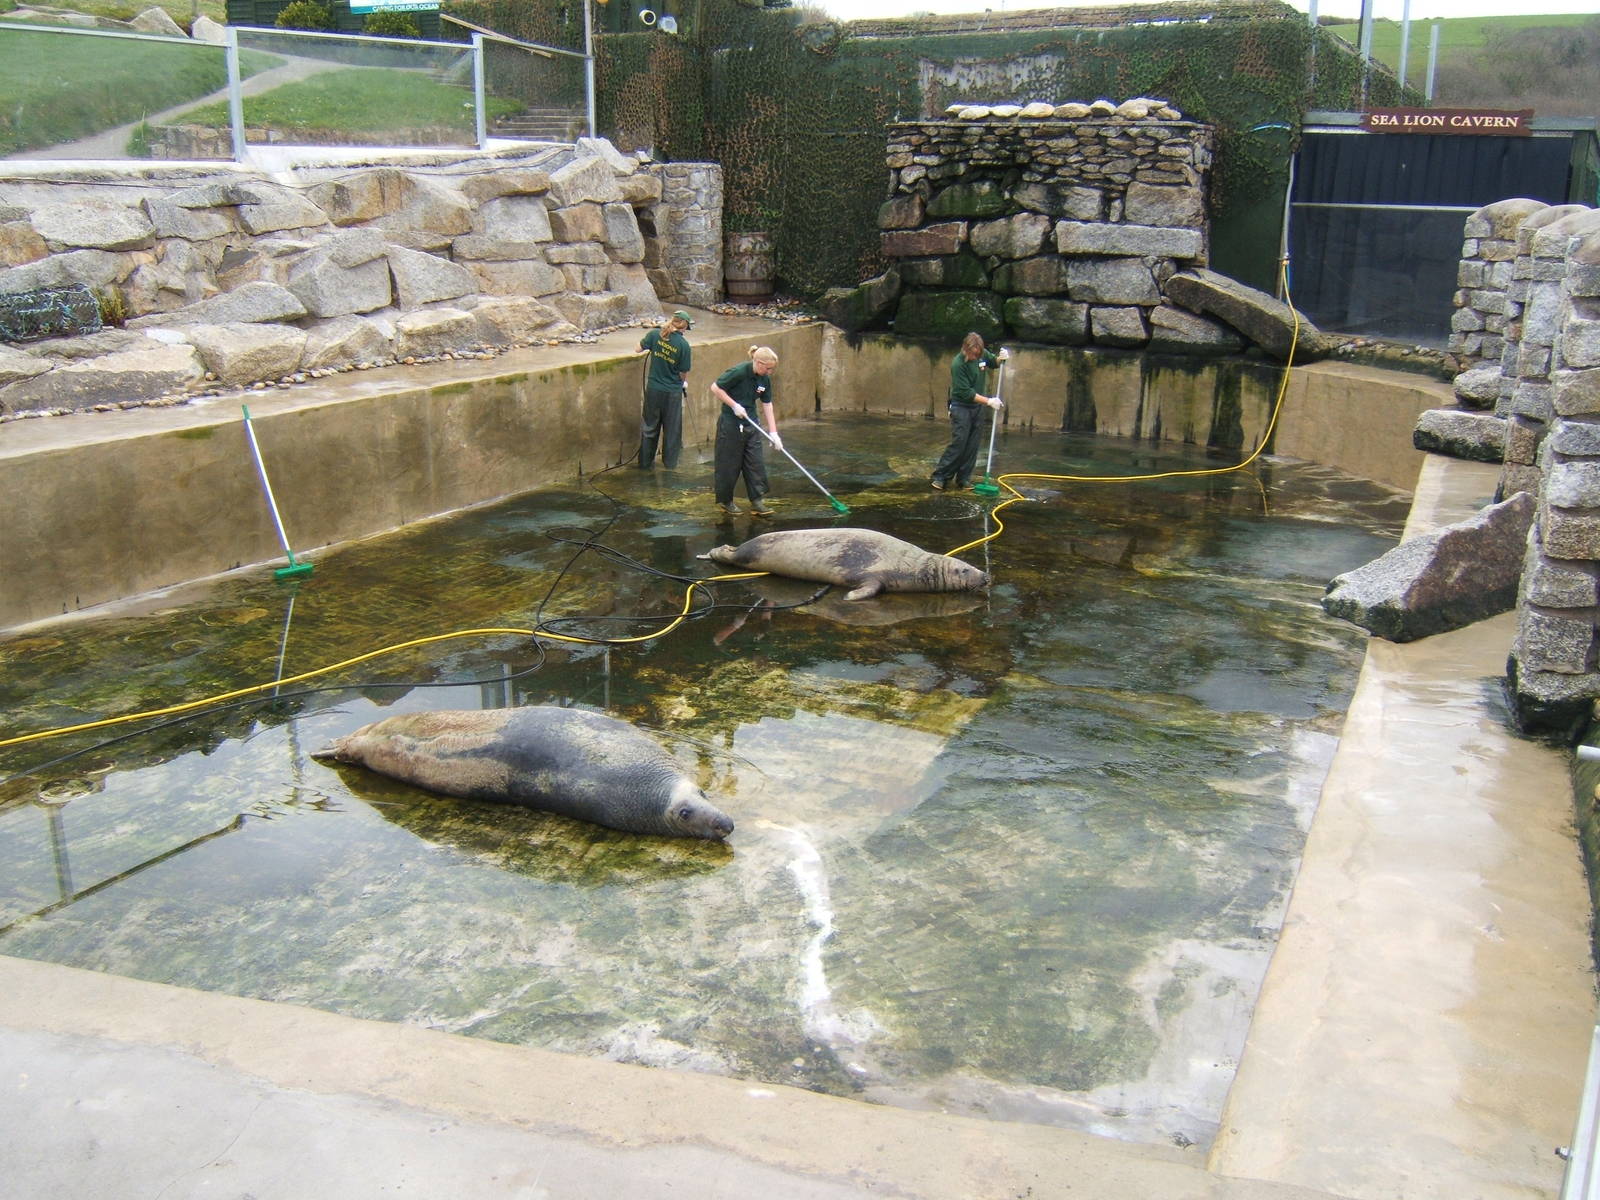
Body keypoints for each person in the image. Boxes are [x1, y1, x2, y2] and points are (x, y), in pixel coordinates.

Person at [931, 332, 1008, 491]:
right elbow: (965, 392)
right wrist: (989, 401)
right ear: (965, 349)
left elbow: (993, 362)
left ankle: (963, 478)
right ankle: (940, 476)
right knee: (960, 442)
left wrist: (1001, 359)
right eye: (972, 354)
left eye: (977, 354)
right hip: (961, 406)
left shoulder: (981, 354)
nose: (975, 357)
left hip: (976, 408)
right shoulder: (958, 364)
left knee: (972, 445)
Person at [710, 345, 781, 517]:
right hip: (731, 423)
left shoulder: (764, 379)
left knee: (755, 462)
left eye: (772, 369)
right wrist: (734, 405)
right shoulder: (739, 372)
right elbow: (715, 387)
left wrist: (773, 432)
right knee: (729, 463)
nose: (770, 372)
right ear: (758, 362)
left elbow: (767, 404)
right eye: (768, 368)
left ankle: (757, 500)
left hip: (751, 423)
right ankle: (726, 501)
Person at [637, 310, 694, 468]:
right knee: (672, 430)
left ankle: (645, 464)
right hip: (672, 393)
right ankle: (670, 465)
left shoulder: (655, 335)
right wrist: (683, 384)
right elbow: (683, 372)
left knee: (649, 427)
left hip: (654, 389)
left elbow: (637, 349)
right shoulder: (684, 346)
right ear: (685, 327)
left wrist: (656, 349)